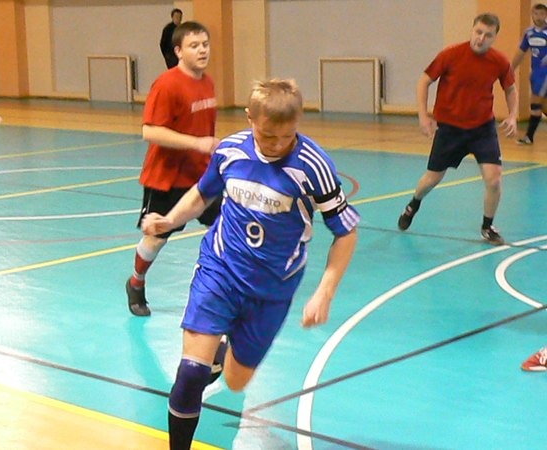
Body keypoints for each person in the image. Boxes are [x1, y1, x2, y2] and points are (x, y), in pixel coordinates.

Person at [141, 79, 360, 450]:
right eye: (267, 135)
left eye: (286, 136)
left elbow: (346, 232)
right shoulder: (231, 151)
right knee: (190, 374)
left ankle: (221, 352)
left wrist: (325, 292)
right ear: (250, 118)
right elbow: (202, 194)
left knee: (235, 382)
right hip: (220, 269)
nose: (276, 144)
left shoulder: (313, 165)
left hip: (272, 289)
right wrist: (170, 220)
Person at [397, 13, 518, 246]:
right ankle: (413, 204)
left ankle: (487, 226)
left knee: (494, 180)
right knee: (431, 179)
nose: (481, 38)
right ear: (472, 30)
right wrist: (423, 115)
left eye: (488, 35)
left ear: (494, 37)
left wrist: (512, 116)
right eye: (478, 32)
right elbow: (424, 81)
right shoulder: (450, 55)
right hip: (450, 129)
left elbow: (510, 89)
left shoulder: (499, 61)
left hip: (482, 129)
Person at [126, 21, 220, 317]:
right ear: (178, 51)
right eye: (194, 46)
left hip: (203, 175)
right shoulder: (166, 84)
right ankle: (136, 282)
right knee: (157, 237)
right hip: (167, 178)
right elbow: (150, 131)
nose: (202, 50)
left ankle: (224, 288)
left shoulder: (208, 82)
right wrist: (197, 143)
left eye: (205, 44)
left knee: (225, 227)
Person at [512, 3, 547, 145]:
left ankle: (529, 137)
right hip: (536, 74)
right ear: (532, 15)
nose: (538, 17)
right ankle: (529, 137)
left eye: (541, 14)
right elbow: (521, 52)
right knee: (542, 106)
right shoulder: (529, 33)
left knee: (535, 103)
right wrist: (510, 69)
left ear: (546, 15)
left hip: (545, 75)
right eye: (536, 14)